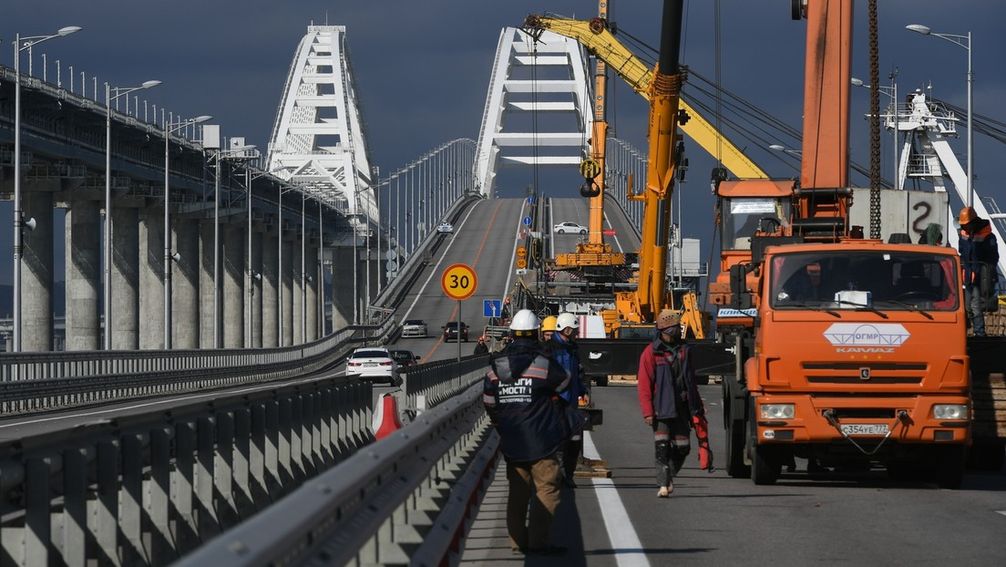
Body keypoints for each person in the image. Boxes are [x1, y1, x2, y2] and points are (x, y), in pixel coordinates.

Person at [483, 309, 570, 556]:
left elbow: (489, 402)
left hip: (512, 439)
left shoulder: (496, 368)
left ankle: (517, 542)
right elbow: (565, 382)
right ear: (536, 335)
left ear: (511, 335)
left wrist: (502, 425)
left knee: (518, 492)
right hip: (542, 438)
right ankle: (538, 542)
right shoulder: (542, 364)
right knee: (547, 488)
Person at [636, 309, 708, 498]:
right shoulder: (651, 353)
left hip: (682, 408)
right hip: (661, 409)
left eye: (678, 328)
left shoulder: (685, 351)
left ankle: (668, 477)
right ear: (663, 330)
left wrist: (698, 407)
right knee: (662, 448)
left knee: (683, 447)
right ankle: (662, 484)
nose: (677, 332)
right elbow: (644, 384)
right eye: (673, 328)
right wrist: (647, 412)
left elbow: (691, 381)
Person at [549, 313, 589, 487]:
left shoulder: (572, 349)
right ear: (566, 329)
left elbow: (576, 376)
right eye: (574, 331)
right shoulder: (550, 349)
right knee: (558, 442)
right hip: (556, 402)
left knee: (574, 441)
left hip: (571, 401)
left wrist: (582, 391)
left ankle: (568, 476)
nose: (576, 334)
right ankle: (559, 476)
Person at [958, 206, 1000, 336]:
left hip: (979, 275)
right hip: (968, 275)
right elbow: (962, 250)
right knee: (967, 307)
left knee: (975, 305)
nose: (965, 228)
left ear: (972, 222)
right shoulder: (963, 234)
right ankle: (966, 331)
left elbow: (993, 256)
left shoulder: (987, 236)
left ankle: (979, 332)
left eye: (966, 225)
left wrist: (986, 273)